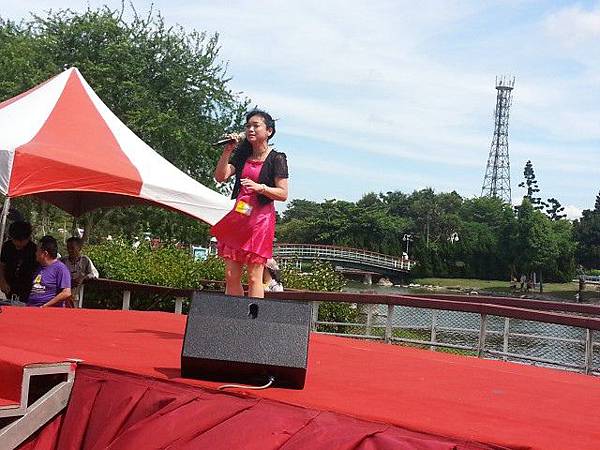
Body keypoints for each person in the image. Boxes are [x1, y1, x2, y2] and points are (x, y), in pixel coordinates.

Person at [211, 109, 288, 298]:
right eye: (248, 126)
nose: (250, 129)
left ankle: (253, 316)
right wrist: (228, 151)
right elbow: (220, 176)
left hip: (260, 220)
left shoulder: (277, 158)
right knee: (231, 275)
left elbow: (283, 193)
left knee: (254, 277)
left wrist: (260, 187)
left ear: (269, 131)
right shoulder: (242, 155)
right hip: (239, 216)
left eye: (255, 126)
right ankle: (235, 313)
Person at [27, 236, 71, 308]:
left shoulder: (61, 269)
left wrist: (46, 305)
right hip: (31, 307)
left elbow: (66, 293)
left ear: (45, 253)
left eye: (37, 250)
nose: (35, 253)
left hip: (47, 311)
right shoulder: (39, 268)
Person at [0, 221, 38, 302]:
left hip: (27, 287)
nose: (19, 243)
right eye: (16, 240)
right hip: (9, 286)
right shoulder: (7, 247)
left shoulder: (34, 250)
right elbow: (2, 265)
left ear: (28, 238)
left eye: (22, 241)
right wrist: (2, 281)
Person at [60, 236, 99, 307]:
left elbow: (95, 274)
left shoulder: (85, 260)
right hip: (63, 295)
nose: (70, 250)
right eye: (68, 248)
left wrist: (83, 278)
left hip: (78, 295)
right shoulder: (63, 261)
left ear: (79, 248)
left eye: (72, 248)